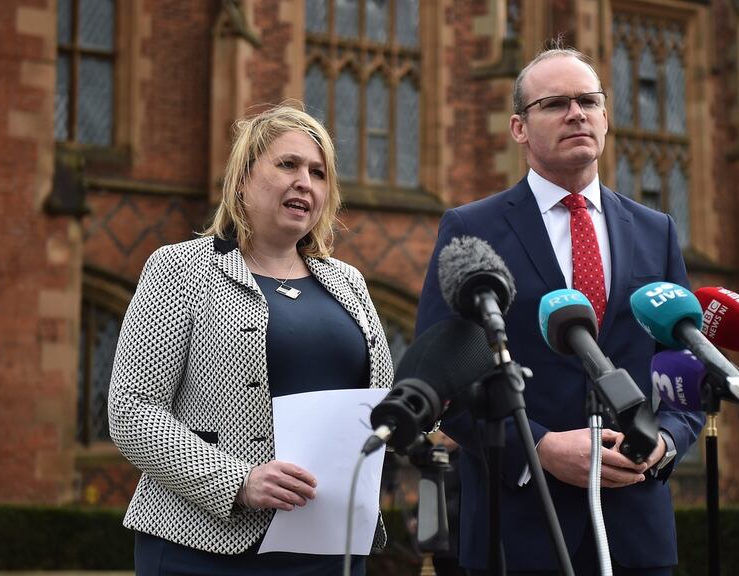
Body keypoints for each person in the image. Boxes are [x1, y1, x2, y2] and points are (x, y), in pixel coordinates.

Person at [414, 46, 704, 575]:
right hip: (518, 529)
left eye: (589, 101)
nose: (577, 113)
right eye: (555, 104)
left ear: (605, 117)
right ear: (519, 128)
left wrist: (665, 442)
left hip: (635, 530)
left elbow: (681, 370)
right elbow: (440, 381)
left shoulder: (654, 230)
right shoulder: (472, 229)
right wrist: (541, 447)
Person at [108, 103, 394, 575]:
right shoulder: (180, 269)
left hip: (332, 546)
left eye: (319, 173)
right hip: (203, 548)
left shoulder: (350, 283)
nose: (305, 181)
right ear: (242, 179)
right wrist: (237, 481)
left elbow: (383, 406)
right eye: (288, 165)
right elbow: (131, 413)